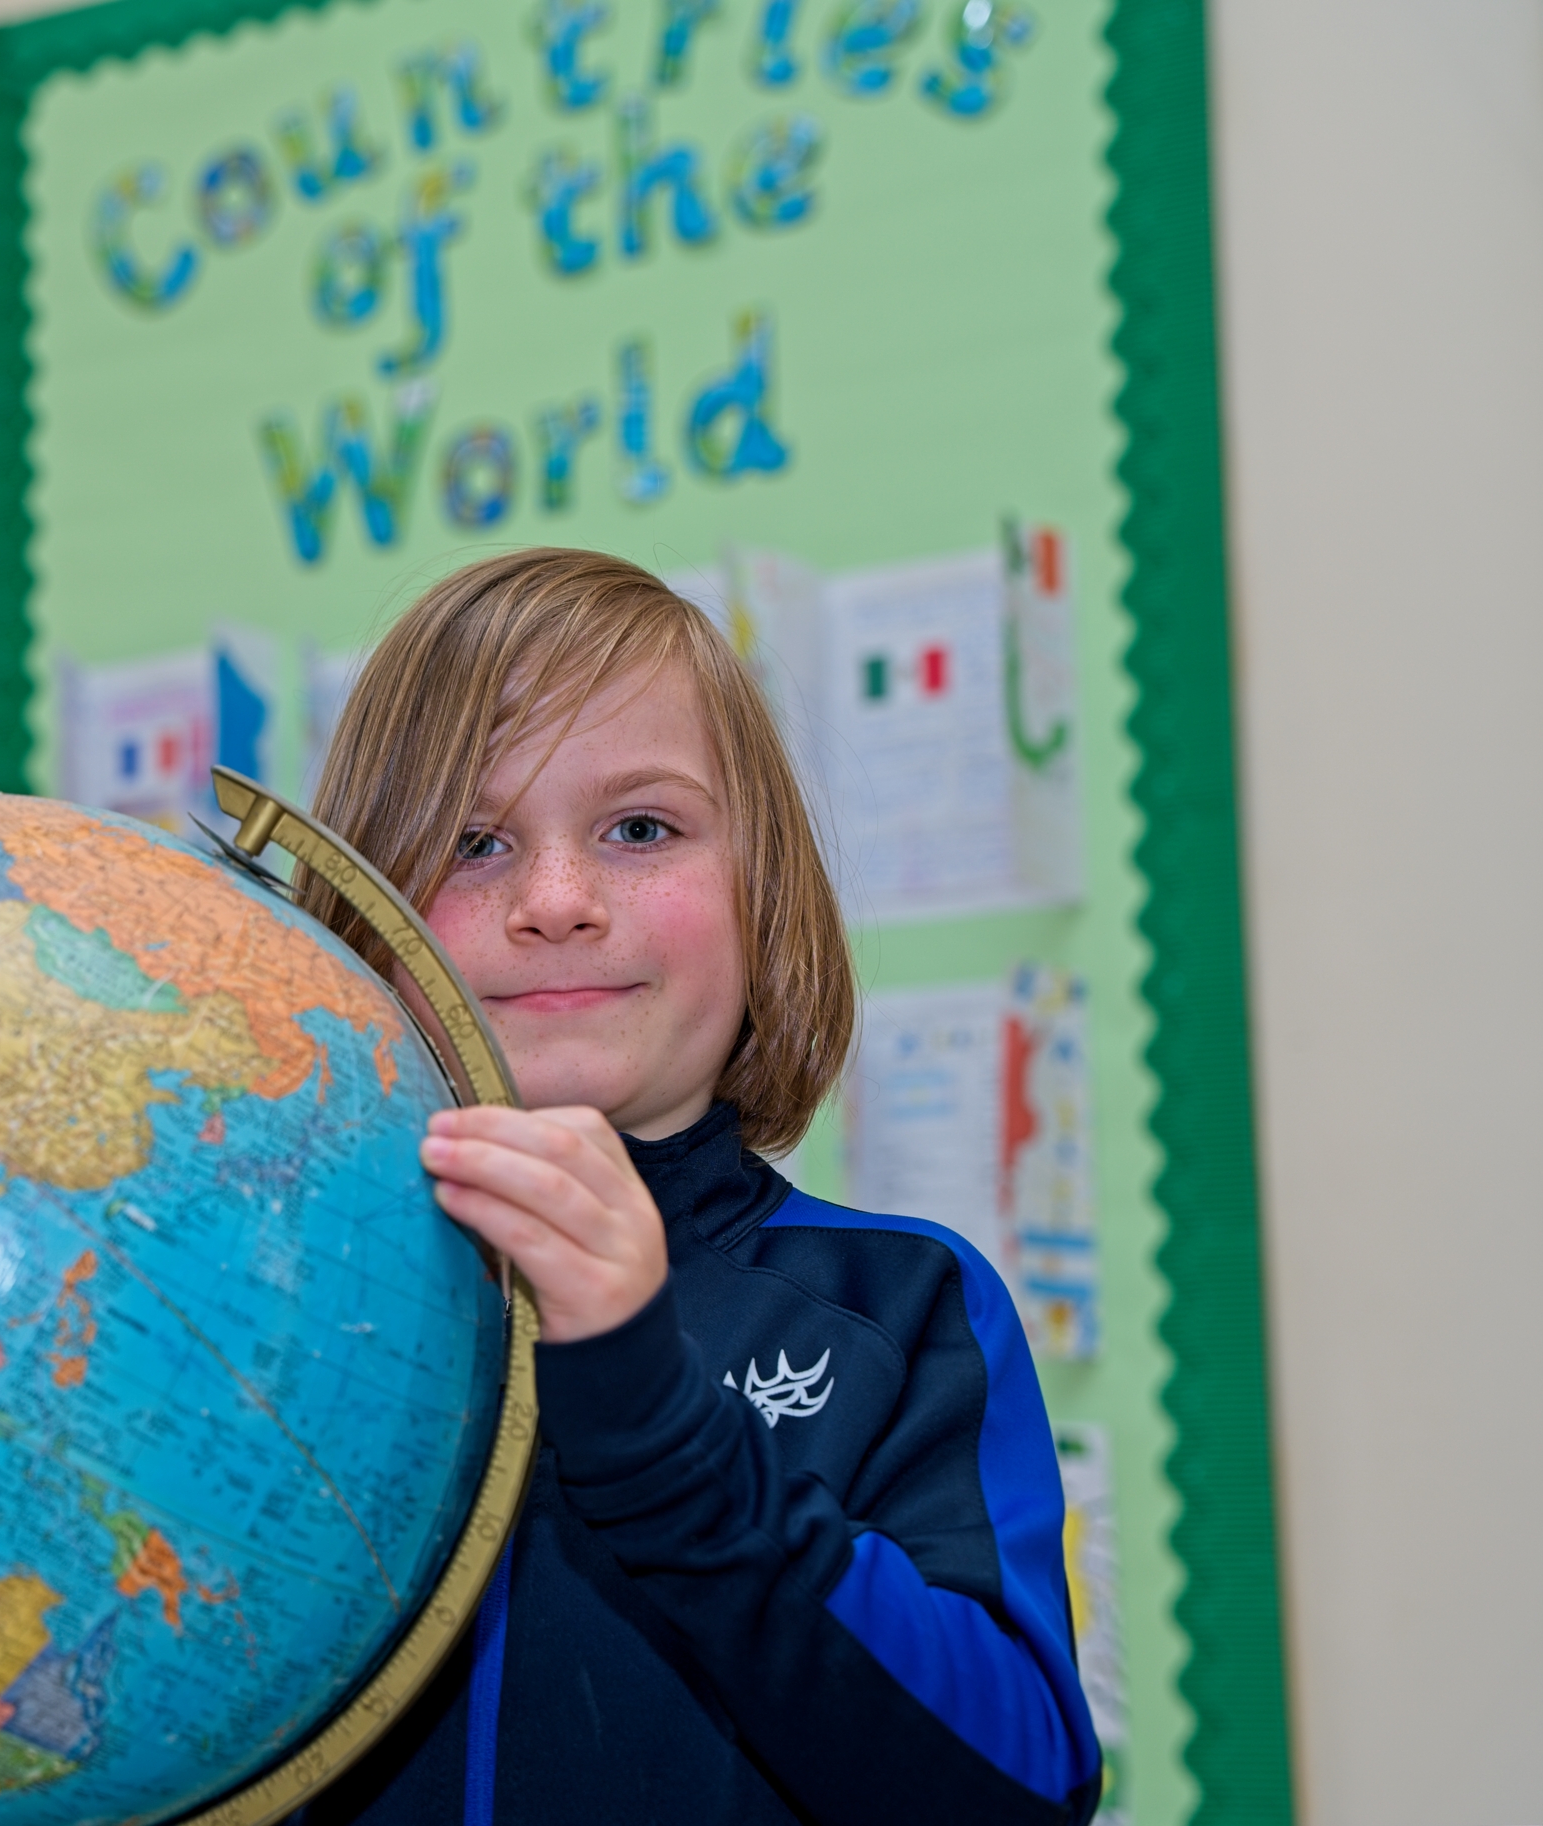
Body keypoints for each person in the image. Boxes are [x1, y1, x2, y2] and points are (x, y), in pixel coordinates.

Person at [289, 549, 1103, 1826]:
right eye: (472, 840)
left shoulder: (894, 1305)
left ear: (761, 899)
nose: (554, 902)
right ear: (361, 914)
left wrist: (664, 1433)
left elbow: (1021, 1787)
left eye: (639, 828)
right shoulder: (267, 1297)